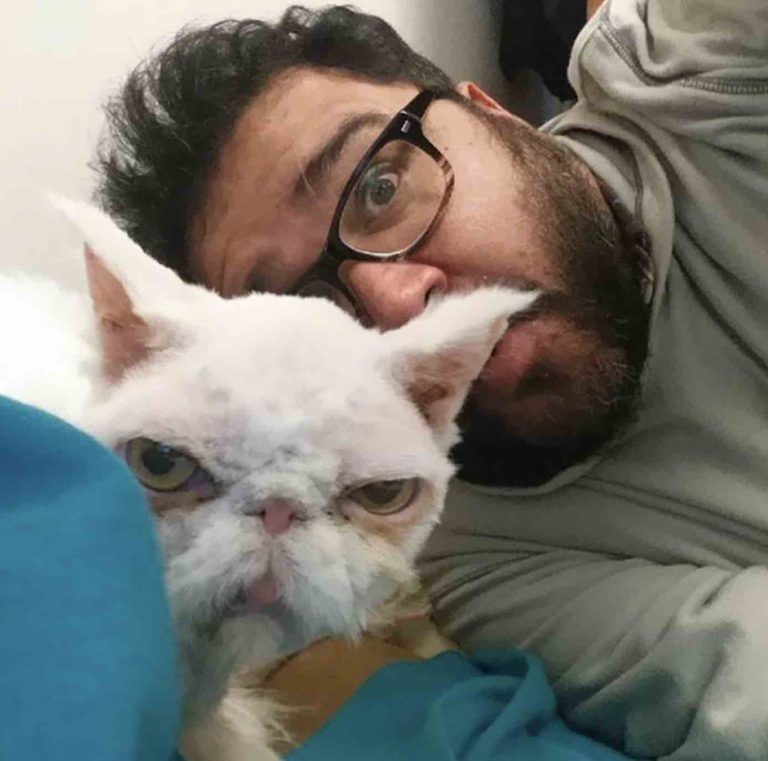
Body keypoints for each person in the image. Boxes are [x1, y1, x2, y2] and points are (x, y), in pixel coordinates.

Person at [94, 1, 768, 758]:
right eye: (312, 310)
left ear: (494, 113)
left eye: (380, 188)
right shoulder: (483, 564)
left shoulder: (697, 66)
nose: (396, 305)